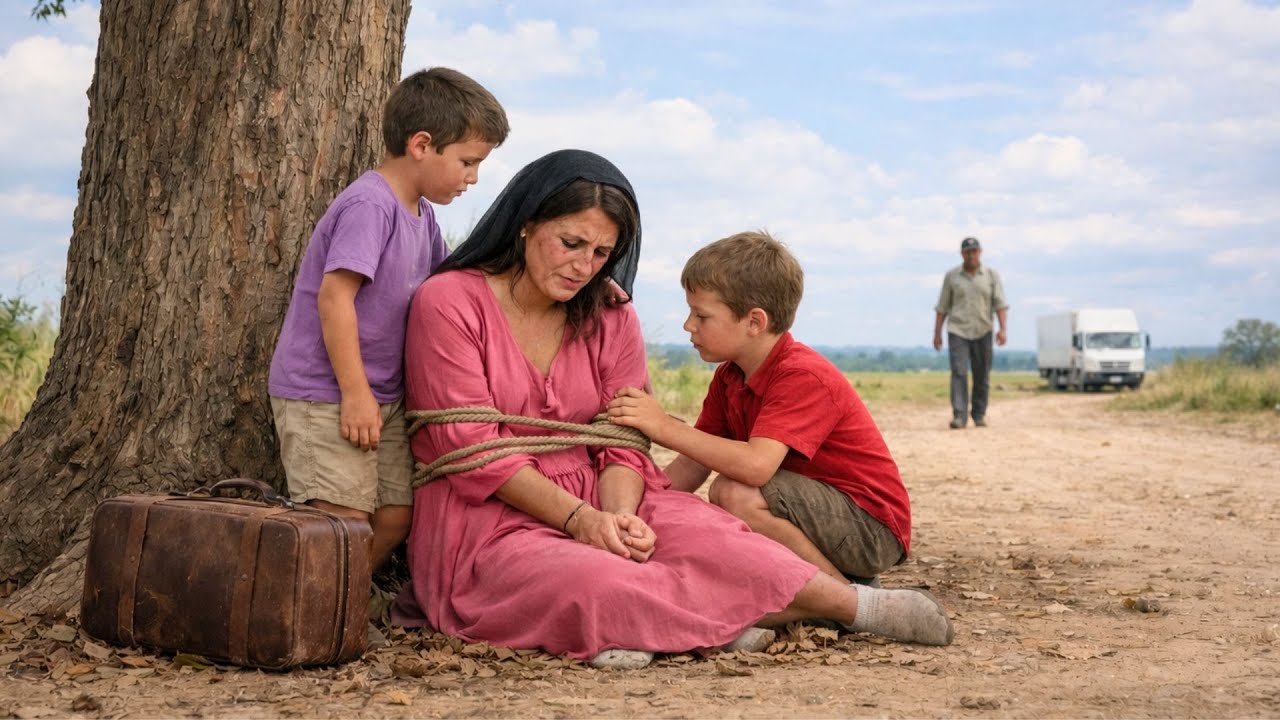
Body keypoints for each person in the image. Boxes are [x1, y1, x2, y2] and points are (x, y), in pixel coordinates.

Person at [392, 149, 953, 670]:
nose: (585, 265)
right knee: (594, 579)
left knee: (725, 540)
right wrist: (583, 522)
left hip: (605, 491)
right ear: (526, 223)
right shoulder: (450, 302)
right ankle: (716, 621)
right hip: (490, 512)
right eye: (571, 242)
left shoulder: (609, 313)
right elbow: (471, 449)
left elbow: (622, 441)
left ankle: (855, 607)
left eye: (602, 252)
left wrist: (620, 516)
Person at [267, 67, 509, 571]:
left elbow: (453, 282)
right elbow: (335, 299)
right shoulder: (370, 205)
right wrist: (354, 394)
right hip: (328, 392)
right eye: (467, 162)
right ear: (421, 144)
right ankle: (313, 619)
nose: (473, 177)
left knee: (395, 516)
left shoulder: (424, 216)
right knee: (342, 520)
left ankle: (341, 607)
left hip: (383, 397)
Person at [607, 231, 910, 588]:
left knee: (734, 494)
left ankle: (842, 598)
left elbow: (755, 466)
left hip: (871, 528)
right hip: (819, 514)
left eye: (700, 315)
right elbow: (694, 461)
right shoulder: (729, 376)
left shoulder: (801, 374)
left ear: (754, 322)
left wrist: (663, 427)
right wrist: (639, 508)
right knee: (720, 506)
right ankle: (837, 583)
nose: (688, 325)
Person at [932, 236, 1008, 429]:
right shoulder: (952, 276)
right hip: (958, 331)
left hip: (983, 330)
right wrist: (937, 333)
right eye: (967, 252)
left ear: (980, 252)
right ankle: (959, 415)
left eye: (974, 251)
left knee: (982, 374)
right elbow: (942, 306)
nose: (971, 255)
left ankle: (979, 414)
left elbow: (1000, 304)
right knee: (959, 372)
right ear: (962, 254)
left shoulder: (991, 275)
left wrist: (1003, 329)